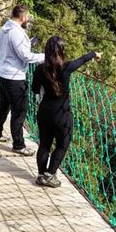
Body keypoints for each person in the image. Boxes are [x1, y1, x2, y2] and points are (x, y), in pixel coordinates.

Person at [32, 36, 101, 187]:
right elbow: (82, 59)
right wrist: (94, 54)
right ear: (61, 51)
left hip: (44, 112)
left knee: (44, 144)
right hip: (62, 115)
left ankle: (41, 175)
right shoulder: (67, 67)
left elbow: (34, 89)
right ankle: (50, 175)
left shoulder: (39, 69)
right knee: (63, 144)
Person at [0, 4, 44, 155]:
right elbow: (25, 56)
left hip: (2, 73)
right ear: (22, 17)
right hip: (14, 77)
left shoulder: (4, 28)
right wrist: (44, 57)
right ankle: (19, 145)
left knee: (2, 105)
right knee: (19, 111)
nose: (28, 19)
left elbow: (14, 49)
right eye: (27, 17)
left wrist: (28, 43)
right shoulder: (17, 33)